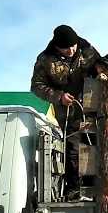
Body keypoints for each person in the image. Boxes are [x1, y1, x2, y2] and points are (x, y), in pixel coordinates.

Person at [31, 25, 101, 199]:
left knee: (96, 144)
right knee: (73, 150)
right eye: (66, 48)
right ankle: (74, 188)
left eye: (73, 46)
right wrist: (58, 96)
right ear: (57, 46)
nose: (71, 50)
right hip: (68, 114)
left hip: (93, 109)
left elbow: (102, 66)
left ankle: (97, 186)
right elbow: (36, 86)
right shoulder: (45, 59)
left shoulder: (88, 50)